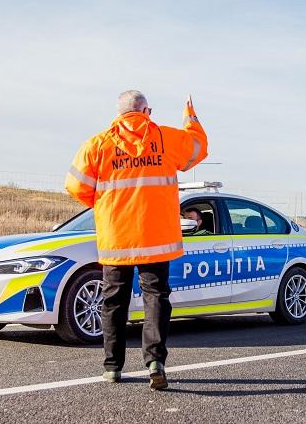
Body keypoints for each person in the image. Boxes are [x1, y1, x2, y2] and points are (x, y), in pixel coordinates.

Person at [65, 90, 208, 390]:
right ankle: (155, 361)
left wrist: (106, 204)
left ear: (118, 115)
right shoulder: (165, 139)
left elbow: (76, 185)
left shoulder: (98, 145)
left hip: (117, 238)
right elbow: (197, 148)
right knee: (156, 297)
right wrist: (190, 117)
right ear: (147, 112)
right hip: (156, 237)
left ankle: (112, 367)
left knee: (113, 301)